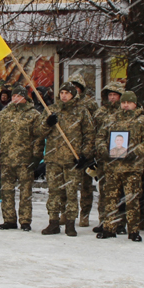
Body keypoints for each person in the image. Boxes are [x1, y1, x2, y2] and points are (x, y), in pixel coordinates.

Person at [94, 90, 144, 241]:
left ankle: (133, 230)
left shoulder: (142, 121)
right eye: (123, 102)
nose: (125, 105)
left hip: (132, 168)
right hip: (112, 167)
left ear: (135, 104)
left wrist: (134, 152)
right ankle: (109, 228)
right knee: (110, 199)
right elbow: (100, 137)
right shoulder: (111, 119)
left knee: (132, 200)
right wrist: (104, 150)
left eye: (128, 102)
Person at [38, 83, 94, 237]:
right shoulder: (51, 110)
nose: (64, 95)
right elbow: (40, 132)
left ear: (73, 95)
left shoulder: (81, 111)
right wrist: (48, 124)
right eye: (61, 92)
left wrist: (84, 155)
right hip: (53, 158)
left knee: (71, 193)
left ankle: (70, 223)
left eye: (67, 93)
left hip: (72, 160)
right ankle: (53, 222)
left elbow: (89, 135)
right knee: (54, 193)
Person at [0, 86, 44, 231]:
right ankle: (9, 219)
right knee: (6, 190)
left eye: (18, 96)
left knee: (25, 192)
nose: (14, 99)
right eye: (13, 96)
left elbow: (38, 137)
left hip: (25, 160)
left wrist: (37, 156)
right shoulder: (4, 113)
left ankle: (25, 220)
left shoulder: (34, 115)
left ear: (24, 97)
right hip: (7, 159)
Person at [90, 81, 125, 232]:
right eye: (110, 95)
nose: (112, 98)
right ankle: (104, 221)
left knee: (120, 191)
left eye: (115, 95)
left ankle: (120, 222)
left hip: (121, 157)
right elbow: (93, 134)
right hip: (103, 158)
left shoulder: (125, 113)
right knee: (104, 190)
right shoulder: (99, 113)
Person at [65, 73, 99, 229]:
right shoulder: (64, 103)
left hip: (85, 151)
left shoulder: (90, 104)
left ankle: (84, 214)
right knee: (67, 185)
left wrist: (89, 151)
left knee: (86, 185)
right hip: (68, 150)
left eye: (78, 87)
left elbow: (94, 127)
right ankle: (66, 213)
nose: (75, 90)